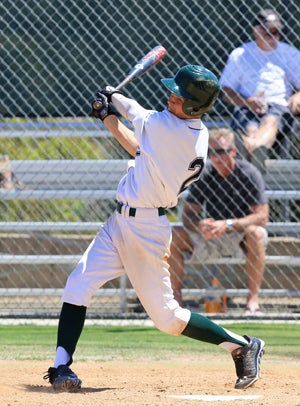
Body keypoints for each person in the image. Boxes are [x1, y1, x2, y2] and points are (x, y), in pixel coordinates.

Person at [43, 65, 265, 392]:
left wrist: (112, 95)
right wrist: (107, 116)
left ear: (193, 106)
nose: (171, 97)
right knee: (77, 284)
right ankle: (61, 366)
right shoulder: (176, 129)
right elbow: (137, 147)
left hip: (146, 229)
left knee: (168, 319)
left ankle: (242, 345)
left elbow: (134, 112)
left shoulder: (176, 131)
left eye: (179, 96)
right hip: (119, 222)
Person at [169, 128, 269, 314]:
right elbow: (188, 214)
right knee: (173, 235)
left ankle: (252, 301)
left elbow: (262, 216)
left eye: (221, 152)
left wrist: (228, 224)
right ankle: (176, 302)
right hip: (210, 234)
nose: (216, 157)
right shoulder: (205, 173)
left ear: (233, 151)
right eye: (211, 153)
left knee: (256, 233)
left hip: (238, 236)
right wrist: (201, 225)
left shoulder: (249, 172)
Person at [219, 9, 300, 169]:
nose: (271, 36)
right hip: (245, 106)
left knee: (270, 121)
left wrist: (297, 96)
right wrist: (248, 102)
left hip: (279, 107)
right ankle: (256, 155)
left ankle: (248, 151)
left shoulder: (290, 54)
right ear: (255, 31)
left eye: (275, 31)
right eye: (266, 31)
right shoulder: (240, 54)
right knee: (250, 127)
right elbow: (227, 93)